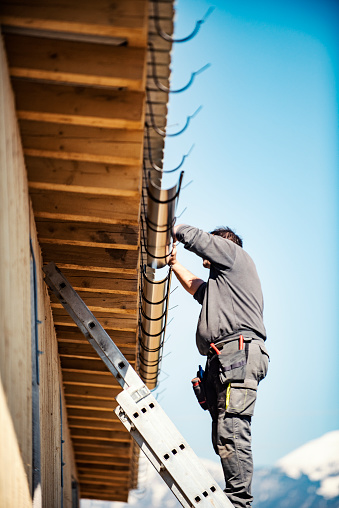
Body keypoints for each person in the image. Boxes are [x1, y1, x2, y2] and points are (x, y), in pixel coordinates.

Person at [168, 224, 269, 508]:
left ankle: (238, 502)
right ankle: (236, 497)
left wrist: (169, 227)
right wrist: (175, 265)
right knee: (223, 434)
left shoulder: (236, 256)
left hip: (237, 354)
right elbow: (196, 288)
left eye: (212, 245)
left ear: (223, 245)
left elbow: (199, 239)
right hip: (224, 358)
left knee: (233, 427)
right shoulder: (223, 286)